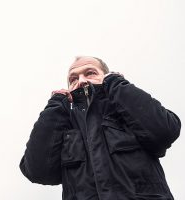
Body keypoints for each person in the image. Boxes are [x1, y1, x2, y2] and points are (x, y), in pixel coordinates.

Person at [19, 56, 181, 200]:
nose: (81, 80)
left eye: (90, 73)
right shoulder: (65, 126)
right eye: (73, 79)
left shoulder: (126, 110)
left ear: (106, 76)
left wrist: (117, 84)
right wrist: (55, 105)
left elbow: (165, 130)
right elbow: (37, 171)